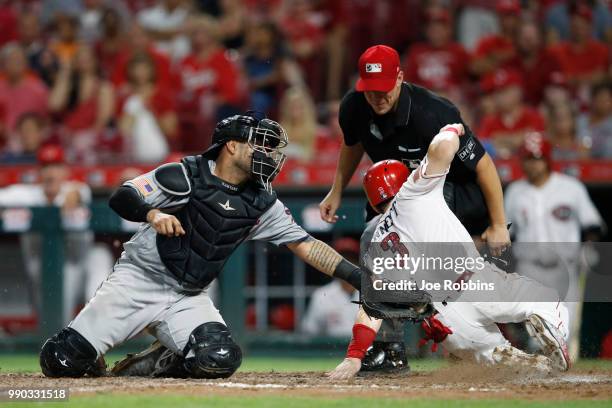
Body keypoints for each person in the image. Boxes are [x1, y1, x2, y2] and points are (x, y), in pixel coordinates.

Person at [39, 113, 367, 379]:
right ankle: (93, 353)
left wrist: (358, 278)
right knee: (61, 362)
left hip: (188, 296)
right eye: (258, 146)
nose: (267, 155)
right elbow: (123, 196)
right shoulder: (185, 173)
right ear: (232, 147)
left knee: (220, 358)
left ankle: (162, 359)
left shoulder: (263, 202)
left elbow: (307, 246)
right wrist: (153, 213)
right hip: (137, 282)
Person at [319, 44, 510, 372]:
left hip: (455, 191)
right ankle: (387, 347)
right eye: (370, 91)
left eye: (383, 90)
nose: (377, 98)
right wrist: (336, 190)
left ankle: (435, 305)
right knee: (373, 244)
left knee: (399, 243)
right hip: (398, 195)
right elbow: (353, 145)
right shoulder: (353, 107)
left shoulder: (433, 112)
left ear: (400, 78)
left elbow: (483, 165)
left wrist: (497, 223)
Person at [327, 124, 571, 380]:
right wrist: (452, 130)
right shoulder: (413, 191)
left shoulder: (376, 243)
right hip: (476, 282)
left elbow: (371, 307)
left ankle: (524, 363)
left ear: (374, 205)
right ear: (403, 180)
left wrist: (354, 357)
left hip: (446, 318)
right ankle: (551, 327)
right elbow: (441, 148)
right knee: (548, 301)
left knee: (500, 360)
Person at [504, 133, 604, 360]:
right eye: (528, 159)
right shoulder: (515, 192)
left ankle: (564, 369)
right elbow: (506, 231)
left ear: (547, 159)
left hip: (566, 264)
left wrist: (590, 246)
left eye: (537, 158)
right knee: (535, 323)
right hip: (530, 266)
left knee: (567, 325)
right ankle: (541, 372)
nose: (532, 164)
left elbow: (592, 224)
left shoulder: (570, 188)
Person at [0, 145, 113, 325]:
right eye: (46, 167)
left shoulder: (75, 189)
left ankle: (102, 332)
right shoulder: (27, 194)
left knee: (100, 254)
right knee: (56, 323)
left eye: (56, 167)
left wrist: (72, 198)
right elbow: (4, 197)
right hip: (47, 272)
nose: (51, 173)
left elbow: (78, 193)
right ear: (39, 172)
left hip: (82, 264)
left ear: (64, 171)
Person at [301, 237, 360, 338]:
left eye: (351, 259)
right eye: (342, 261)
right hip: (333, 351)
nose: (347, 265)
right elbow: (310, 333)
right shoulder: (321, 295)